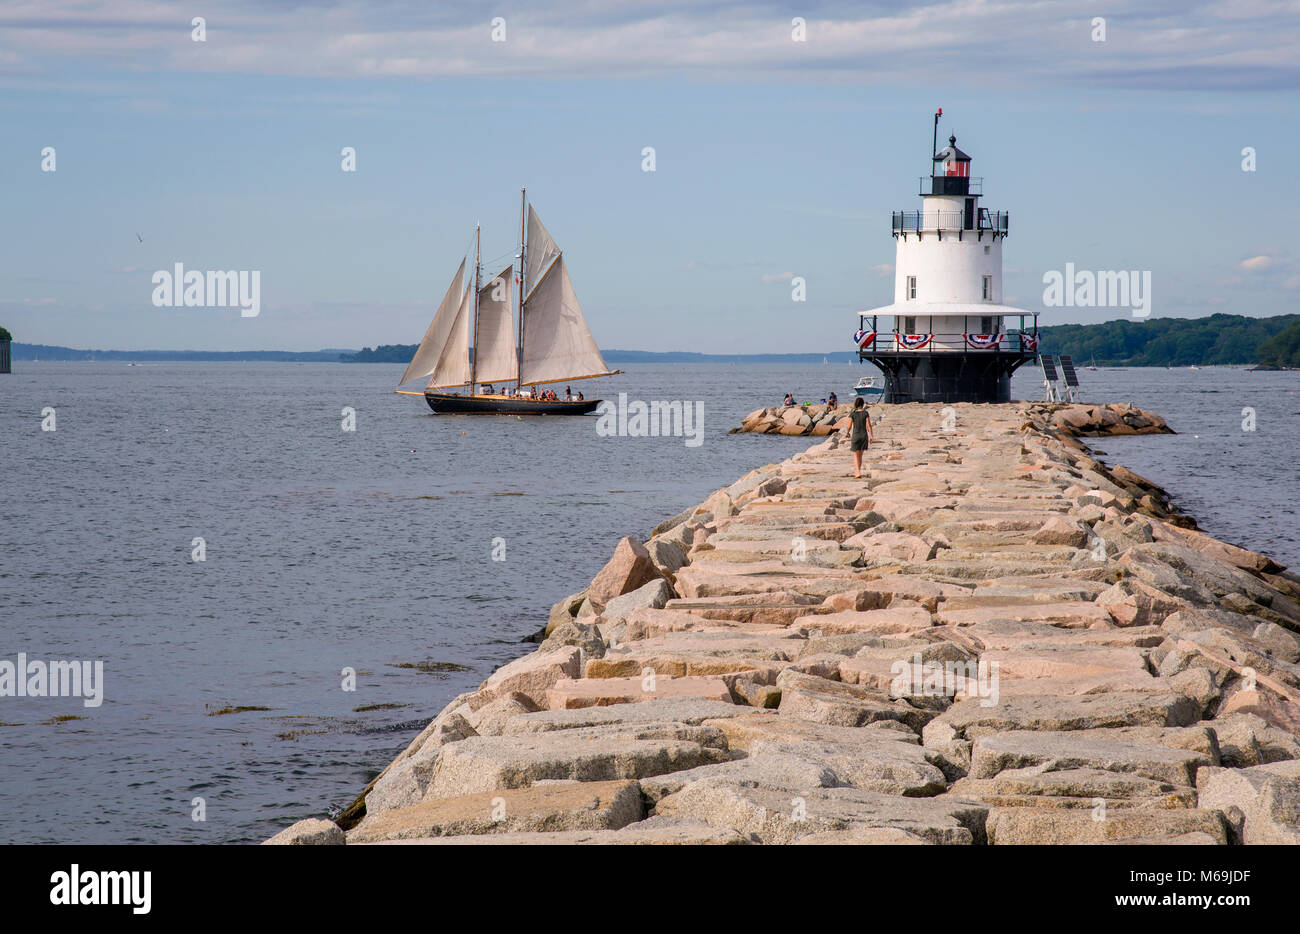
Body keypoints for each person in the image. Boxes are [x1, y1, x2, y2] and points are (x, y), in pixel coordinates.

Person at [849, 397, 874, 479]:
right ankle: (858, 471)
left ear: (856, 404)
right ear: (862, 404)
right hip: (864, 436)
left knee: (855, 455)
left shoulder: (852, 413)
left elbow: (849, 426)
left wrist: (846, 433)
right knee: (860, 455)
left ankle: (857, 472)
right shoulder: (865, 413)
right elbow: (868, 425)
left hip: (856, 436)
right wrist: (871, 435)